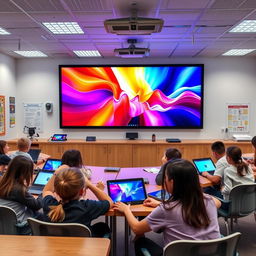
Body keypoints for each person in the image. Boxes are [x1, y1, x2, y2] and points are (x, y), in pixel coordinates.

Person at [114, 159, 221, 256]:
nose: (164, 180)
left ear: (172, 182)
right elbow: (218, 202)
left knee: (140, 240)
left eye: (165, 177)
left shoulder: (166, 209)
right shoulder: (209, 201)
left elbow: (137, 228)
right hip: (212, 253)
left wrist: (126, 210)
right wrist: (193, 191)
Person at [42, 167, 113, 237]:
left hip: (54, 246)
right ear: (82, 191)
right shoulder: (86, 207)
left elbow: (47, 190)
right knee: (102, 227)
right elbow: (109, 202)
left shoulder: (49, 205)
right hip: (81, 247)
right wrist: (89, 184)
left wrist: (56, 172)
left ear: (56, 192)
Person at [0, 156, 42, 233]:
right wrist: (44, 193)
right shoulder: (19, 190)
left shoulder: (3, 183)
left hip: (4, 226)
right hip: (21, 228)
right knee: (44, 213)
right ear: (26, 173)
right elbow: (37, 205)